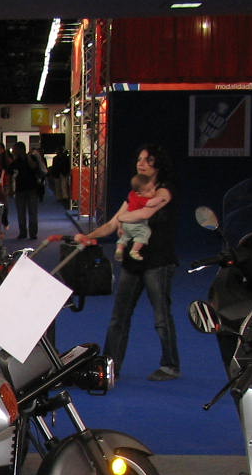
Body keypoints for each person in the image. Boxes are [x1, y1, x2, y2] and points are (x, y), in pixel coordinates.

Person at [76, 144, 181, 382]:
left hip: (158, 262)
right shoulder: (134, 193)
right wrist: (88, 236)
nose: (140, 163)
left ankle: (170, 365)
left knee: (161, 317)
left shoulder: (166, 191)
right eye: (139, 159)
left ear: (157, 166)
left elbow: (143, 214)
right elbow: (113, 224)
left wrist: (124, 218)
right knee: (118, 316)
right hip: (132, 265)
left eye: (147, 160)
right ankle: (110, 365)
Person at [114, 174, 165, 263]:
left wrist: (120, 227)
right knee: (144, 232)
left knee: (125, 236)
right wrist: (160, 199)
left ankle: (119, 249)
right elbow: (150, 203)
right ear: (139, 193)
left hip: (125, 223)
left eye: (153, 188)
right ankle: (135, 250)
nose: (153, 192)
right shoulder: (141, 198)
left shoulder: (132, 194)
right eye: (148, 191)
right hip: (135, 223)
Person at [8, 141, 43, 240]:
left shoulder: (32, 158)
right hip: (20, 190)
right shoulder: (15, 161)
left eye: (15, 149)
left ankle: (32, 233)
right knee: (21, 212)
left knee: (32, 212)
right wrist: (11, 189)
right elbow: (10, 175)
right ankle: (23, 232)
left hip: (32, 188)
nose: (13, 151)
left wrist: (27, 157)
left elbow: (34, 167)